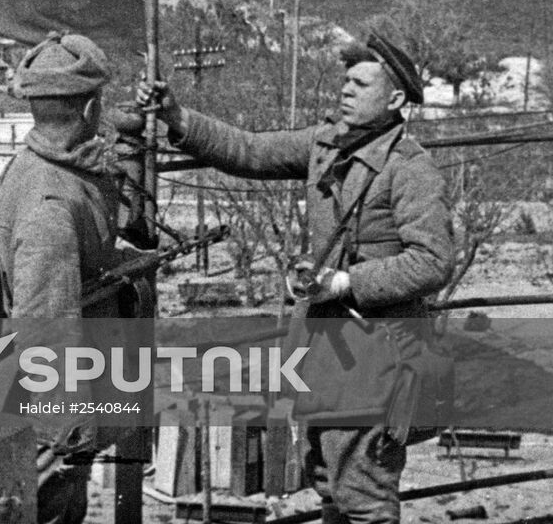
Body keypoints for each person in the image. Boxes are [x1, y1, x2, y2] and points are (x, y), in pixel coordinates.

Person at [140, 33, 454, 524]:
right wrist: (177, 117)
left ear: (394, 100)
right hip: (326, 354)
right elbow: (248, 151)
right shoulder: (327, 143)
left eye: (361, 83)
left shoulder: (409, 170)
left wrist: (345, 283)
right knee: (328, 482)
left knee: (365, 497)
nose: (346, 90)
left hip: (378, 358)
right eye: (345, 81)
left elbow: (433, 261)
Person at [0, 31, 130, 524]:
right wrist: (70, 434)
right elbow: (45, 332)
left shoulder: (44, 168)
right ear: (91, 110)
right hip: (52, 418)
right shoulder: (51, 203)